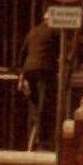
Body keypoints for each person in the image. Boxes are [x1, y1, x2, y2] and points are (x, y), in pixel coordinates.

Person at [17, 19, 55, 149]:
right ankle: (43, 136)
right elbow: (57, 50)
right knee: (44, 102)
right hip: (44, 70)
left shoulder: (33, 31)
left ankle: (37, 121)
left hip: (29, 70)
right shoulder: (52, 31)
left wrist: (22, 72)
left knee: (35, 100)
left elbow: (22, 53)